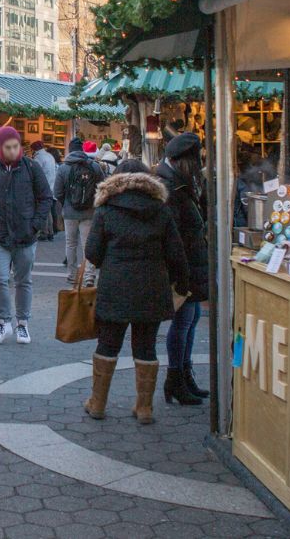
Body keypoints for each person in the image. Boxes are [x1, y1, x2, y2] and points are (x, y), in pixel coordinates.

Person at [83, 159, 191, 424]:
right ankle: (144, 408)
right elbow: (176, 253)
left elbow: (93, 254)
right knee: (145, 346)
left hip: (115, 287)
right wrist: (182, 282)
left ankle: (97, 403)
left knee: (108, 343)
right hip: (151, 287)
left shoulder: (106, 210)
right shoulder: (160, 210)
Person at [0, 125, 55, 346]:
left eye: (15, 146)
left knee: (23, 281)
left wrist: (35, 224)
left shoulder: (31, 168)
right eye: (7, 147)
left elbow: (46, 197)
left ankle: (23, 323)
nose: (12, 150)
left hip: (25, 236)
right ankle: (3, 321)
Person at [155, 132, 210, 405]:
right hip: (182, 267)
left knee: (193, 317)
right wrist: (180, 274)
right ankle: (175, 378)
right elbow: (172, 235)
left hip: (190, 263)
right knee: (183, 321)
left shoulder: (179, 183)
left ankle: (184, 375)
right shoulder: (170, 187)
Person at [54, 137, 105, 285]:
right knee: (87, 244)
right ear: (82, 150)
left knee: (70, 244)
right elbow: (102, 187)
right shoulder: (94, 166)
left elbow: (57, 192)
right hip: (89, 212)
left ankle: (72, 275)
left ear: (69, 150)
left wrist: (66, 204)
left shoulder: (63, 168)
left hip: (70, 213)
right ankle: (89, 275)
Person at [29, 140, 58, 241]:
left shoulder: (38, 158)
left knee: (42, 209)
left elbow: (34, 172)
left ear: (34, 149)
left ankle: (44, 232)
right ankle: (51, 232)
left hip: (41, 186)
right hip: (51, 185)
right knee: (48, 209)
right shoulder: (49, 156)